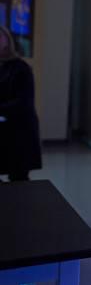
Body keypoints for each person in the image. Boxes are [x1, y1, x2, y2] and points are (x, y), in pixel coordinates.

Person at [0, 25, 41, 182]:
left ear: (7, 41)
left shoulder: (21, 68)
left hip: (18, 133)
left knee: (18, 179)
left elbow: (23, 102)